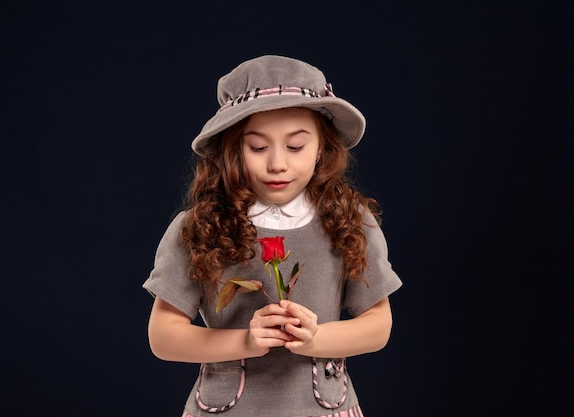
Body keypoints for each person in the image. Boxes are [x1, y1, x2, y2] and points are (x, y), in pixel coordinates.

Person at [143, 54, 402, 417]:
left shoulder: (349, 222)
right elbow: (163, 336)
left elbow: (378, 326)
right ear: (231, 149)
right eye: (258, 147)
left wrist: (315, 338)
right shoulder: (199, 227)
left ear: (323, 148)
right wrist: (246, 341)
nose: (277, 163)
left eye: (295, 146)